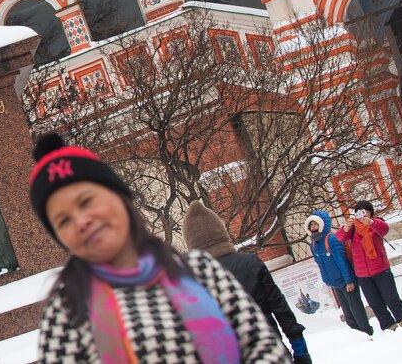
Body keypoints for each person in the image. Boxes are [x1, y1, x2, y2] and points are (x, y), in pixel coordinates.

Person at [29, 133, 290, 363]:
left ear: (120, 198)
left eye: (86, 201)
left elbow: (263, 347)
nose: (81, 221)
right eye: (63, 220)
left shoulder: (201, 271)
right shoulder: (66, 311)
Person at [183, 201, 310, 363]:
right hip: (270, 350)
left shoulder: (191, 282)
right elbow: (279, 306)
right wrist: (299, 347)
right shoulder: (250, 263)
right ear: (221, 232)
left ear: (191, 243)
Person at [335, 199, 402, 331]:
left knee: (392, 299)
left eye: (365, 212)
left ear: (371, 213)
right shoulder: (353, 229)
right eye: (359, 213)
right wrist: (346, 227)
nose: (363, 215)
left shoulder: (376, 224)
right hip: (363, 275)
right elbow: (340, 238)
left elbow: (384, 228)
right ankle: (389, 327)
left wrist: (371, 222)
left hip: (381, 270)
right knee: (375, 304)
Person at [305, 210, 372, 335]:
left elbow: (342, 261)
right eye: (311, 225)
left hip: (346, 282)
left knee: (357, 311)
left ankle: (367, 333)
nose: (313, 228)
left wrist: (349, 281)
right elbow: (320, 265)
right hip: (335, 284)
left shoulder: (332, 239)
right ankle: (357, 335)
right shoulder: (314, 244)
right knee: (348, 315)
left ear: (322, 224)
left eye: (315, 224)